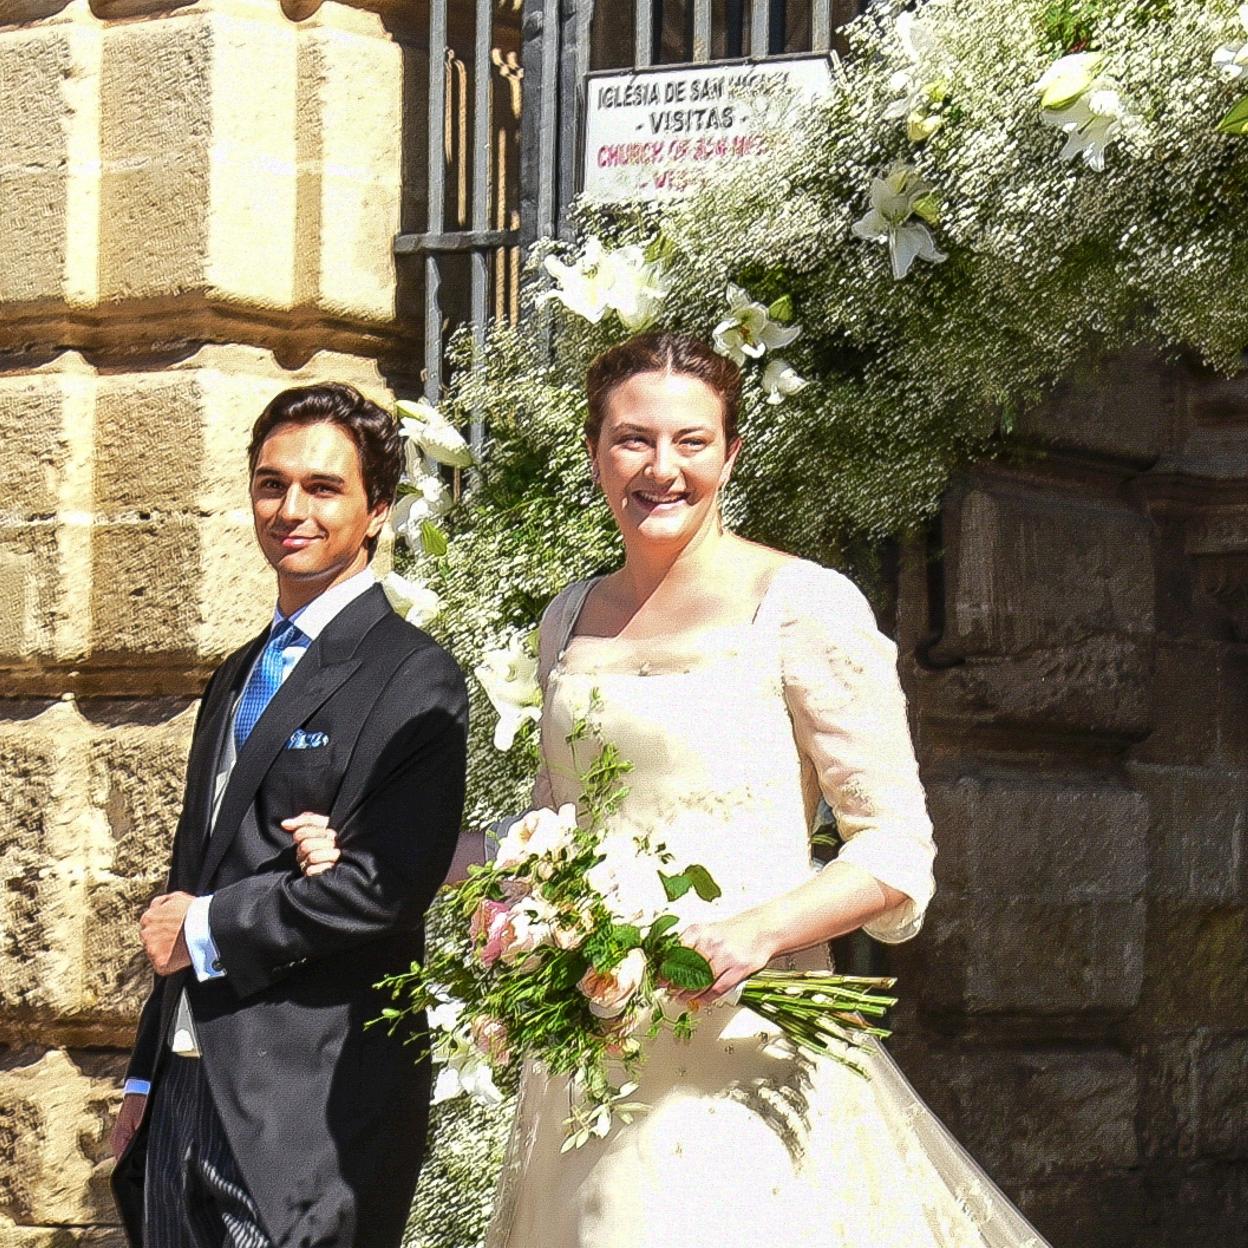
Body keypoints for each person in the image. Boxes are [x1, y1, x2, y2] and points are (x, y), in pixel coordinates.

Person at [298, 334, 1052, 1247]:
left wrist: (754, 933)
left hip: (743, 1049)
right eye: (632, 440)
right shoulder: (568, 618)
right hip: (596, 1059)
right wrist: (388, 850)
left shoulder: (804, 604)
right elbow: (552, 832)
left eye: (691, 441)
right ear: (594, 452)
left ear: (730, 454)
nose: (662, 468)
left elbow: (896, 852)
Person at [109, 383, 469, 1248]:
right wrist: (143, 1081)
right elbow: (189, 878)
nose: (290, 509)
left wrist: (206, 928)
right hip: (185, 1096)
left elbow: (382, 888)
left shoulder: (414, 677)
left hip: (310, 1114)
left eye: (322, 488)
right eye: (272, 485)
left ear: (378, 508)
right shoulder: (236, 672)